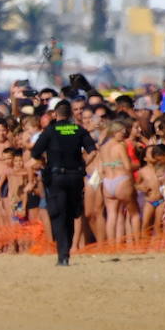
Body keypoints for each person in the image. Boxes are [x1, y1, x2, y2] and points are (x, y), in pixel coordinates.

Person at [30, 99, 96, 265]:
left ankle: (63, 255)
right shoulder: (78, 129)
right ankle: (66, 252)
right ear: (71, 114)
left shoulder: (50, 131)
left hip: (56, 177)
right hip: (75, 177)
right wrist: (82, 167)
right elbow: (93, 151)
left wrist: (44, 164)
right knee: (72, 215)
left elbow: (35, 153)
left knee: (59, 215)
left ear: (55, 114)